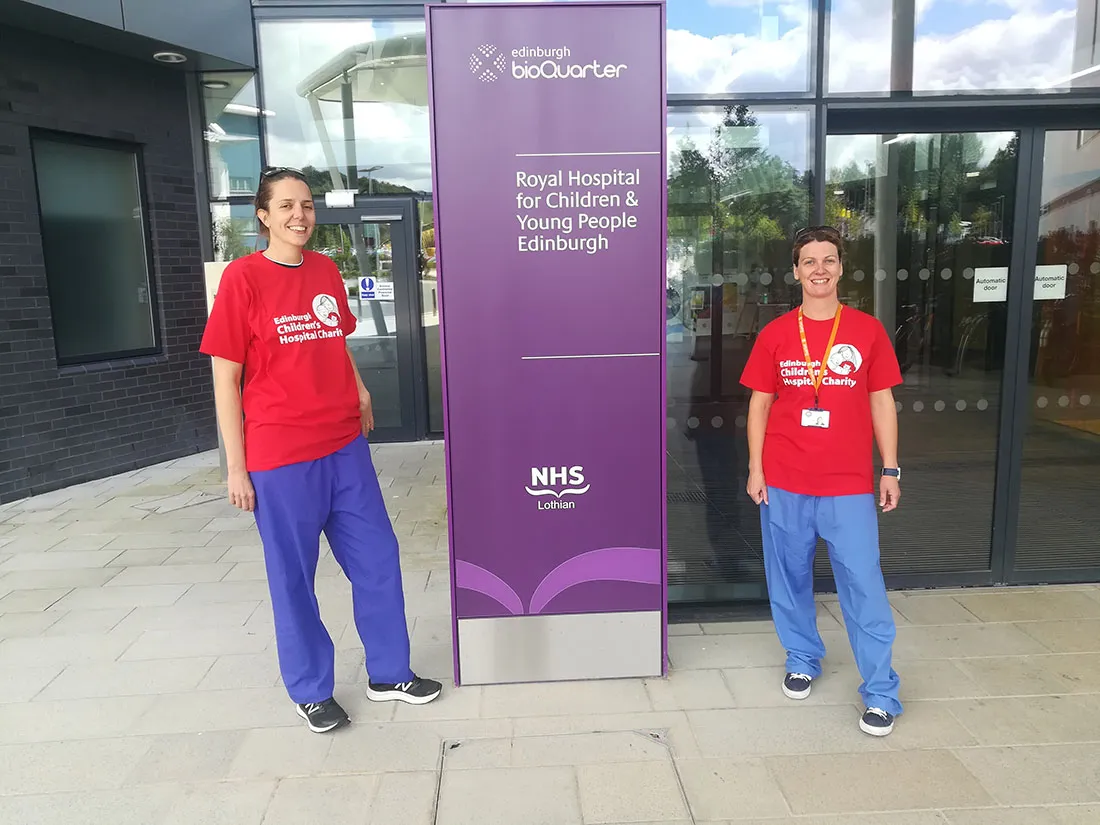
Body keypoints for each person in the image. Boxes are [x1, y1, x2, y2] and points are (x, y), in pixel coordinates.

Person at [199, 166, 442, 733]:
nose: (298, 215)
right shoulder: (244, 279)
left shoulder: (326, 269)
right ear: (263, 216)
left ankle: (390, 673)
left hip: (343, 446)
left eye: (305, 205)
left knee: (378, 560)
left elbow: (333, 338)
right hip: (280, 457)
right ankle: (311, 689)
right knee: (293, 579)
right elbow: (224, 380)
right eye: (285, 206)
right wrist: (236, 467)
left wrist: (357, 390)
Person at [739, 225, 903, 737]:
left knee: (863, 585)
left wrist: (891, 467)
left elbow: (882, 401)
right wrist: (755, 468)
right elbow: (759, 405)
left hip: (849, 485)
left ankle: (881, 692)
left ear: (840, 268)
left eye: (828, 260)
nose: (819, 270)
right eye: (809, 261)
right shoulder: (775, 335)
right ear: (795, 271)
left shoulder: (866, 330)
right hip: (785, 480)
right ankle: (803, 657)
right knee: (788, 579)